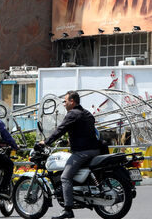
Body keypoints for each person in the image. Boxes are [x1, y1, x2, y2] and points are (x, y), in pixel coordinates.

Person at [39, 91, 102, 219]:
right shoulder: (86, 113)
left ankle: (68, 209)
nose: (64, 103)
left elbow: (60, 129)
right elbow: (85, 129)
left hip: (83, 152)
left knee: (65, 177)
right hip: (95, 149)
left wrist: (46, 142)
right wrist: (71, 139)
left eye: (65, 101)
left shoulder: (73, 114)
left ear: (72, 101)